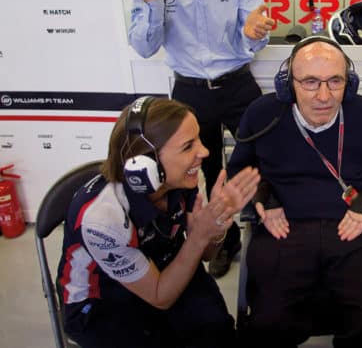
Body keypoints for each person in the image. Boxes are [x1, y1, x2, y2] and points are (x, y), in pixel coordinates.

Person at [227, 36, 362, 347]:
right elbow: (237, 171)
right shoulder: (263, 114)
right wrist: (262, 193)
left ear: (348, 82)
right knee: (268, 325)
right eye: (311, 82)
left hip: (352, 229)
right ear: (288, 84)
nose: (324, 95)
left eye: (335, 81)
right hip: (285, 230)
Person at [125, 0, 274, 277]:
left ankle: (266, 233)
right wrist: (154, 4)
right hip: (189, 93)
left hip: (238, 85)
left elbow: (254, 35)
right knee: (202, 175)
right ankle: (222, 241)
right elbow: (144, 47)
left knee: (261, 162)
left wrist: (254, 32)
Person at [57, 96, 260, 348]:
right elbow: (159, 296)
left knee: (218, 332)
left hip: (166, 266)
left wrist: (216, 224)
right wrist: (198, 237)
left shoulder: (188, 178)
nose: (204, 152)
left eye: (198, 139)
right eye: (188, 146)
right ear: (146, 163)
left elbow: (206, 255)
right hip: (105, 303)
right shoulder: (103, 217)